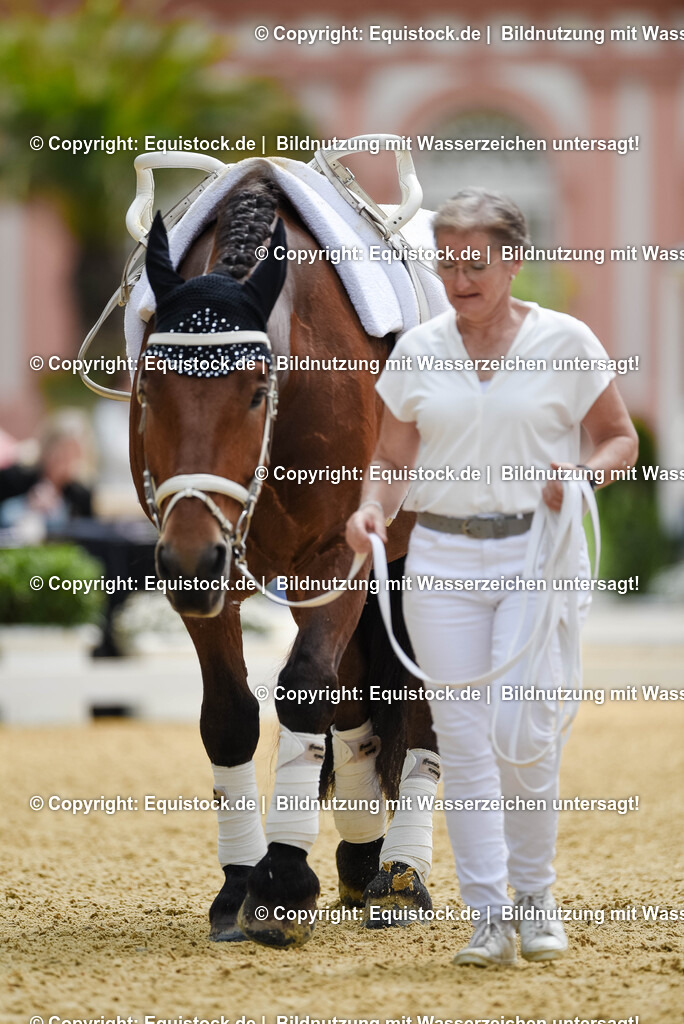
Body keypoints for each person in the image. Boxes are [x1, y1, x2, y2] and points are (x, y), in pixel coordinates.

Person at [345, 188, 638, 967]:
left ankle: (535, 894)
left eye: (475, 263)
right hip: (439, 557)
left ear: (514, 259)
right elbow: (392, 458)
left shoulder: (568, 341)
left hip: (537, 555)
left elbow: (620, 440)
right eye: (448, 264)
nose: (459, 279)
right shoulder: (418, 351)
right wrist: (373, 508)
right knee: (465, 742)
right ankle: (487, 915)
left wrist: (582, 475)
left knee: (520, 732)